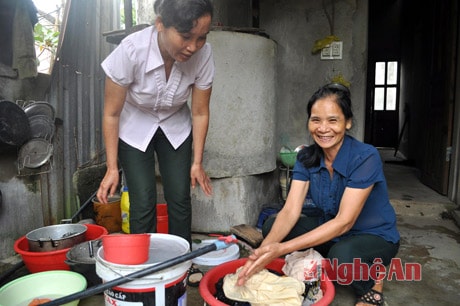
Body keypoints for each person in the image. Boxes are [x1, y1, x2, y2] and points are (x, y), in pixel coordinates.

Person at [237, 83, 400, 306]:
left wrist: (281, 250)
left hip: (372, 235)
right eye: (316, 120)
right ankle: (329, 259)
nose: (323, 129)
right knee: (271, 228)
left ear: (348, 122)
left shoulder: (365, 157)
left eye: (333, 120)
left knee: (341, 257)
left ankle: (373, 282)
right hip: (332, 228)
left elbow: (345, 221)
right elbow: (290, 211)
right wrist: (263, 253)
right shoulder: (306, 157)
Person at [96, 0, 214, 246]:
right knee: (143, 198)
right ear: (160, 24)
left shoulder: (204, 55)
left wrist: (197, 162)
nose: (193, 47)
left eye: (201, 38)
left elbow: (200, 112)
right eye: (185, 36)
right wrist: (111, 168)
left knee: (180, 197)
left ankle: (182, 261)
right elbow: (111, 114)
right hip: (134, 125)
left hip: (175, 125)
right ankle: (144, 265)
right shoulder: (131, 51)